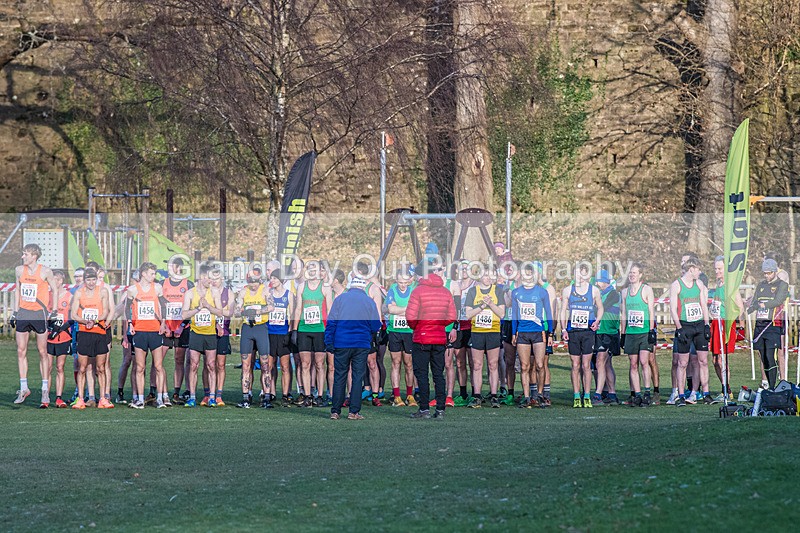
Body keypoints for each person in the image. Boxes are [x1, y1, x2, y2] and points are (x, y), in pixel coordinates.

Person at [326, 274, 382, 420]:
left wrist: (329, 342)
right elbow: (376, 325)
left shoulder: (339, 300)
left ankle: (335, 411)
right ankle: (354, 412)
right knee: (357, 377)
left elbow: (331, 323)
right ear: (363, 287)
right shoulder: (369, 301)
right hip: (361, 344)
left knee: (340, 376)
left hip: (341, 342)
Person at [405, 261, 457, 419]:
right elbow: (452, 316)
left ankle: (424, 409)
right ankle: (440, 409)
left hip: (422, 337)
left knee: (421, 374)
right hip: (439, 337)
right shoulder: (445, 291)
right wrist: (439, 324)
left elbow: (410, 317)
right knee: (438, 374)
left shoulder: (418, 291)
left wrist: (419, 326)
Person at [12, 243, 59, 405]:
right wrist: (15, 311)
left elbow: (55, 289)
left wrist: (54, 311)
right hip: (24, 312)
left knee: (42, 351)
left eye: (26, 254)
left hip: (39, 313)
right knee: (20, 350)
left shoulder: (45, 271)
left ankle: (45, 390)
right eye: (23, 253)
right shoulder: (19, 270)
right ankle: (23, 387)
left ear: (34, 256)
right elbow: (17, 290)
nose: (23, 256)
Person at [559, 264, 604, 408]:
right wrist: (564, 329)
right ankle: (576, 395)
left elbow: (601, 307)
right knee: (575, 364)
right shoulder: (568, 290)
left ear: (587, 276)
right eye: (577, 274)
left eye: (582, 274)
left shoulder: (594, 290)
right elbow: (562, 311)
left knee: (586, 365)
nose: (579, 277)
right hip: (573, 331)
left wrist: (597, 321)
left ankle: (587, 395)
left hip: (587, 332)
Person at [125, 262, 168, 409]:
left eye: (154, 274)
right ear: (143, 274)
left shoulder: (157, 288)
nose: (154, 276)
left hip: (155, 330)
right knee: (140, 367)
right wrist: (130, 323)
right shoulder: (132, 290)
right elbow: (127, 308)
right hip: (140, 331)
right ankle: (140, 399)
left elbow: (163, 305)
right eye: (151, 273)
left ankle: (161, 398)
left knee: (158, 366)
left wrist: (163, 322)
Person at [669, 256, 710, 406]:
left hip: (698, 325)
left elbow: (703, 305)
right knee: (683, 362)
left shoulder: (698, 284)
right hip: (685, 326)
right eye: (698, 269)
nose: (700, 272)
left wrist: (706, 325)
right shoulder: (677, 285)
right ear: (691, 269)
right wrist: (679, 328)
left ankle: (704, 393)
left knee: (703, 361)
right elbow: (673, 309)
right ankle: (680, 395)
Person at [181, 264, 225, 407]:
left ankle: (212, 397)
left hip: (210, 333)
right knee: (193, 365)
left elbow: (220, 312)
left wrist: (208, 306)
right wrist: (198, 308)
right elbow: (184, 314)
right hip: (196, 333)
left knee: (211, 365)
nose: (210, 281)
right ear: (201, 277)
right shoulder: (190, 293)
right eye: (208, 278)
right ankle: (192, 397)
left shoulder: (214, 292)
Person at [510, 263, 552, 408]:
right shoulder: (515, 292)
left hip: (538, 332)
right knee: (524, 366)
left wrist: (551, 333)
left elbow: (549, 312)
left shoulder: (542, 292)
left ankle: (540, 395)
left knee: (540, 365)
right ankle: (527, 397)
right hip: (522, 333)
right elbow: (515, 315)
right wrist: (513, 333)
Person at [463, 265, 506, 408]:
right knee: (477, 365)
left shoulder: (497, 291)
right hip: (477, 332)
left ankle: (494, 396)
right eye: (485, 275)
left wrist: (491, 303)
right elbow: (468, 314)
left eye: (490, 275)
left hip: (493, 331)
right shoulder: (473, 291)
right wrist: (482, 306)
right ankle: (476, 396)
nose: (488, 278)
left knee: (493, 365)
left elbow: (502, 313)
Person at [292, 260, 332, 407]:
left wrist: (330, 330)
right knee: (305, 364)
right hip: (304, 329)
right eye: (310, 268)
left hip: (320, 330)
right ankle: (308, 396)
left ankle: (320, 395)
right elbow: (297, 309)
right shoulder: (302, 287)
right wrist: (295, 330)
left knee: (320, 364)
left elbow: (330, 311)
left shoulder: (325, 288)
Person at [70, 268, 112, 409]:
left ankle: (103, 399)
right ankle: (81, 399)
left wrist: (94, 321)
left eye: (93, 279)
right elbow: (73, 314)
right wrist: (84, 321)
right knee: (82, 367)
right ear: (84, 280)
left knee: (100, 367)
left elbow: (105, 311)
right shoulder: (79, 293)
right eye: (88, 280)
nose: (91, 282)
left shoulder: (102, 291)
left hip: (99, 332)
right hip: (84, 333)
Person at [747, 258, 789, 390]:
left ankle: (772, 387)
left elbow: (778, 300)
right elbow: (754, 302)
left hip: (772, 325)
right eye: (765, 273)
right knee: (762, 355)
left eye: (769, 273)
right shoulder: (761, 285)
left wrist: (763, 305)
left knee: (770, 355)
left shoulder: (781, 285)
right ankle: (768, 385)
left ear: (775, 272)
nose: (767, 276)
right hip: (760, 325)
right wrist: (748, 309)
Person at [619, 263, 656, 407]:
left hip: (644, 332)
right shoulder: (624, 292)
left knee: (643, 362)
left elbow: (651, 311)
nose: (632, 275)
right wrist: (623, 334)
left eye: (634, 273)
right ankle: (637, 394)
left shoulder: (646, 290)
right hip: (631, 333)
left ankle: (647, 392)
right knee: (633, 364)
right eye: (630, 273)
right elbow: (624, 315)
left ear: (640, 275)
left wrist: (651, 330)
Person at [236, 270, 273, 408]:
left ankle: (267, 397)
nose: (253, 284)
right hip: (247, 329)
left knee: (265, 364)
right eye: (251, 281)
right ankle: (246, 397)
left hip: (261, 328)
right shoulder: (243, 292)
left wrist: (257, 311)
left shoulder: (265, 291)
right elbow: (236, 309)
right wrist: (243, 311)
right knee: (246, 365)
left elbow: (271, 306)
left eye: (255, 281)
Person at [710, 256, 745, 401]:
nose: (717, 271)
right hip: (715, 324)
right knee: (714, 360)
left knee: (722, 359)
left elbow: (740, 307)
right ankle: (725, 387)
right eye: (716, 268)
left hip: (726, 325)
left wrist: (740, 326)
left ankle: (726, 390)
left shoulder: (731, 286)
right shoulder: (718, 284)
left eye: (719, 269)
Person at [162, 257, 194, 405]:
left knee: (179, 359)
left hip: (183, 328)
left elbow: (193, 307)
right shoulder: (162, 284)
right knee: (158, 361)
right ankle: (155, 391)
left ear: (179, 267)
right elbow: (159, 305)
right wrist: (164, 325)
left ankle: (176, 392)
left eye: (173, 266)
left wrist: (182, 326)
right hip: (166, 327)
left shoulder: (188, 284)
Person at [385, 266, 417, 407]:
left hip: (409, 332)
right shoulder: (392, 290)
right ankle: (397, 396)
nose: (402, 285)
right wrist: (408, 309)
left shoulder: (413, 291)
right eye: (400, 282)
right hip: (395, 331)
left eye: (405, 282)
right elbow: (391, 309)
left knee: (409, 364)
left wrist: (400, 310)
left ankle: (410, 395)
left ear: (409, 281)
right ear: (396, 280)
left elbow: (416, 310)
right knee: (395, 363)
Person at [592, 269, 620, 406]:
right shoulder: (601, 293)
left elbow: (600, 308)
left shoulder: (613, 293)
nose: (596, 283)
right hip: (602, 331)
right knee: (606, 363)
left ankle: (598, 394)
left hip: (608, 331)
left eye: (598, 280)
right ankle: (612, 394)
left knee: (600, 361)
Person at [46, 269, 73, 408]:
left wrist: (60, 329)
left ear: (60, 281)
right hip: (48, 337)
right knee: (47, 367)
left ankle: (58, 397)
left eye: (53, 280)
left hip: (63, 336)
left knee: (60, 367)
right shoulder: (47, 295)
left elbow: (73, 317)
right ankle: (45, 397)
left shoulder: (68, 296)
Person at [211, 269, 234, 406]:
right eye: (212, 278)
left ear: (222, 279)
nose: (214, 281)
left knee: (220, 364)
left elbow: (229, 312)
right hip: (208, 331)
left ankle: (219, 394)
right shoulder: (208, 292)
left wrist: (214, 311)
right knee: (209, 364)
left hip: (223, 332)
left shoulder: (228, 293)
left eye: (217, 278)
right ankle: (209, 394)